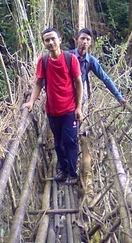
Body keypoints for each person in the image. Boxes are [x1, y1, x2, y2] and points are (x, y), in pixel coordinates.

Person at [22, 28, 83, 185]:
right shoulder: (43, 61)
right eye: (47, 40)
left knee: (70, 141)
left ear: (60, 40)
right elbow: (38, 83)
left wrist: (79, 107)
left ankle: (73, 173)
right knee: (58, 142)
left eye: (53, 39)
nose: (50, 42)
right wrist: (31, 102)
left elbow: (78, 83)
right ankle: (63, 169)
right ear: (44, 43)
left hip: (69, 109)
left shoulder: (71, 59)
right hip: (52, 110)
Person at [71, 28, 126, 106]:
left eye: (88, 39)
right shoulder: (67, 56)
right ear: (77, 40)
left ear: (90, 43)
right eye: (82, 38)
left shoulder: (90, 60)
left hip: (78, 102)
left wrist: (119, 97)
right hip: (64, 99)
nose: (85, 42)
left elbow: (105, 78)